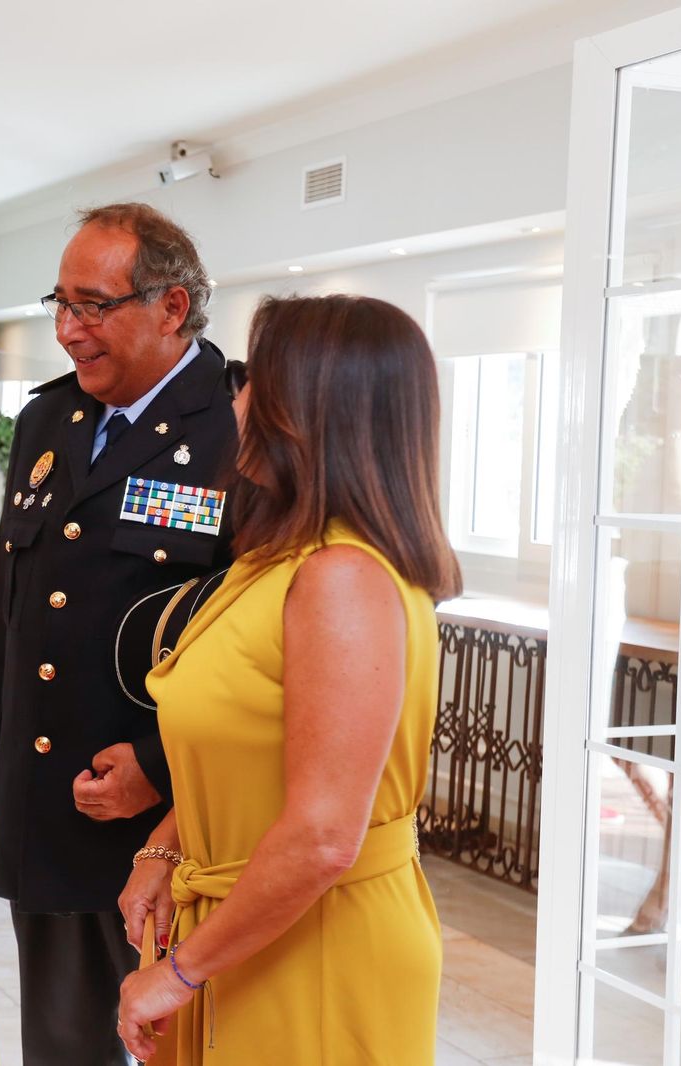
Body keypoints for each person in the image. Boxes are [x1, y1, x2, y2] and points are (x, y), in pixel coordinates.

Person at [116, 294, 463, 1063]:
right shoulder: (279, 560)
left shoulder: (343, 579)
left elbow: (321, 837)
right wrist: (165, 848)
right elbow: (253, 747)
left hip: (322, 944)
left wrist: (178, 973)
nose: (235, 402)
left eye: (251, 382)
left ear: (305, 408)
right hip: (251, 925)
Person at [0, 202, 239, 1064]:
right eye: (60, 305)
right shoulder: (48, 420)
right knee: (63, 1048)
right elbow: (15, 608)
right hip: (48, 804)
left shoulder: (237, 429)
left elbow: (248, 645)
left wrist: (155, 766)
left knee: (179, 1047)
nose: (69, 331)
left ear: (172, 307)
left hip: (169, 824)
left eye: (93, 307)